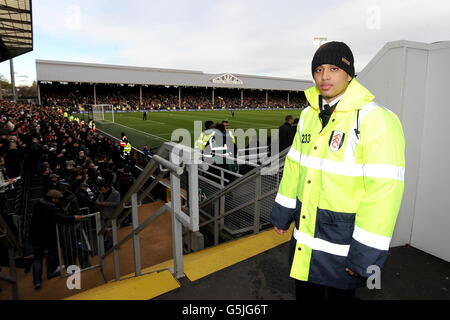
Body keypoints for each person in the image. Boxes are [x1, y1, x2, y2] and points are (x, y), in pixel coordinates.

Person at [269, 41, 405, 300]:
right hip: (306, 239)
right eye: (318, 69)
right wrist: (282, 213)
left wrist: (365, 254)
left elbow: (384, 192)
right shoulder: (309, 115)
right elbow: (295, 167)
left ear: (349, 73)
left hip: (345, 245)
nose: (324, 77)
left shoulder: (377, 119)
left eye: (333, 68)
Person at [29, 190, 82, 290]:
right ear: (53, 199)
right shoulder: (50, 208)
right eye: (57, 199)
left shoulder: (38, 203)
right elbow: (60, 218)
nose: (58, 201)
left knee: (37, 259)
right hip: (47, 236)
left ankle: (37, 281)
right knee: (52, 253)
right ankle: (51, 272)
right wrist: (74, 217)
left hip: (35, 235)